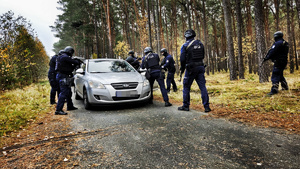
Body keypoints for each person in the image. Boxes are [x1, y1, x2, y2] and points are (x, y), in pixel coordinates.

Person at [178, 29, 211, 112]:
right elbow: (202, 55)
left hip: (190, 69)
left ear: (186, 36)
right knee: (203, 87)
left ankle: (186, 106)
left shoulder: (185, 46)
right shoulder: (200, 44)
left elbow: (182, 59)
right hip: (200, 67)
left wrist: (182, 69)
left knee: (186, 87)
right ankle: (206, 107)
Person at [55, 46, 81, 115]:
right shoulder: (64, 57)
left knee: (69, 92)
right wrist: (78, 61)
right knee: (64, 93)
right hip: (63, 76)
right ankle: (58, 109)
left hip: (62, 76)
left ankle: (70, 106)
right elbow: (74, 62)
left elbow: (70, 66)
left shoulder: (62, 57)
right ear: (70, 52)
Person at [263, 31, 289, 96]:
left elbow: (272, 51)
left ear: (276, 36)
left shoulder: (277, 43)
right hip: (284, 61)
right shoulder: (285, 43)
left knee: (275, 75)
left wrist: (267, 58)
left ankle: (274, 90)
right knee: (280, 74)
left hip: (278, 61)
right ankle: (285, 86)